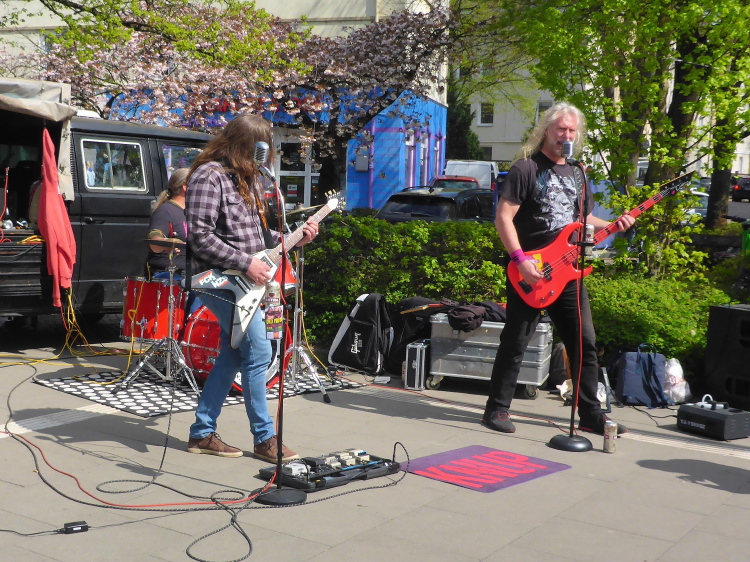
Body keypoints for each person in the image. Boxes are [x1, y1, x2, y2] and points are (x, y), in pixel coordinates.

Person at [483, 102, 635, 436]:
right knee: (516, 342)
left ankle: (590, 414)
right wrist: (520, 260)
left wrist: (615, 224)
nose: (566, 135)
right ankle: (496, 408)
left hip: (567, 273)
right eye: (560, 129)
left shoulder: (579, 173)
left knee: (584, 343)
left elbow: (584, 220)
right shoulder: (526, 169)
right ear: (546, 130)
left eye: (571, 130)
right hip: (531, 271)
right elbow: (503, 218)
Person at [185, 114, 318, 462]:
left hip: (242, 280)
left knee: (233, 355)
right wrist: (246, 263)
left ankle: (201, 433)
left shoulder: (252, 179)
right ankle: (264, 439)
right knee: (259, 351)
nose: (267, 153)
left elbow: (259, 237)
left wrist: (294, 238)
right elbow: (200, 237)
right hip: (216, 279)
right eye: (262, 147)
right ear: (243, 145)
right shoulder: (208, 175)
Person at [147, 168, 190, 277]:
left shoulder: (191, 212)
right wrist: (167, 242)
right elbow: (154, 240)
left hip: (192, 274)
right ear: (185, 187)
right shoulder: (165, 211)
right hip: (170, 276)